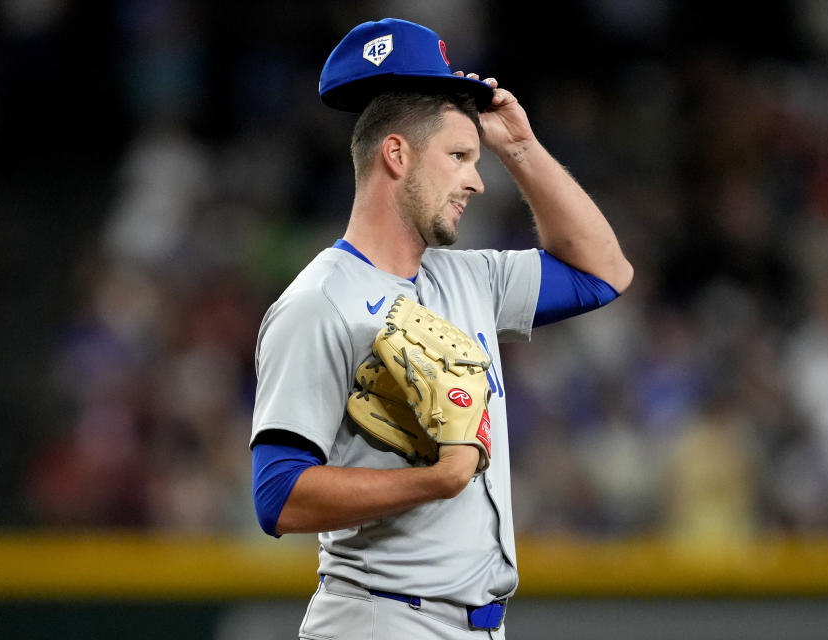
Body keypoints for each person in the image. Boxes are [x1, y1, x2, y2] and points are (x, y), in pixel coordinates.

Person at [250, 18, 633, 639]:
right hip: (381, 617)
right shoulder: (319, 302)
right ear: (396, 155)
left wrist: (520, 149)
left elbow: (605, 273)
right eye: (459, 157)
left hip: (475, 625)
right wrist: (435, 479)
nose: (477, 181)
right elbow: (279, 497)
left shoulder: (467, 277)